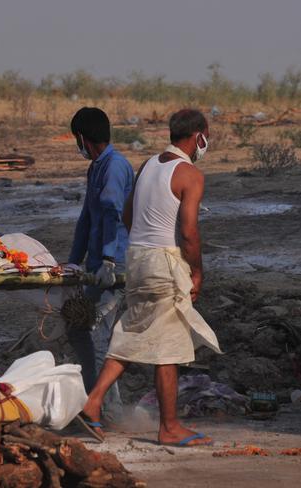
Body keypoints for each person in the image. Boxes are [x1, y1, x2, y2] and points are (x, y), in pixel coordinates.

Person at [81, 109, 222, 446]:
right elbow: (189, 232)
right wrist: (197, 271)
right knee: (169, 346)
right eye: (206, 136)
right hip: (164, 262)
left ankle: (93, 402)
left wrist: (146, 245)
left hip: (138, 259)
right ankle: (170, 427)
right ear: (198, 135)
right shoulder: (190, 174)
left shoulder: (148, 166)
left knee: (134, 333)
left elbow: (129, 215)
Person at [65, 107, 134, 423]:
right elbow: (86, 218)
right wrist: (72, 262)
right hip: (94, 266)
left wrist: (107, 259)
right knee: (77, 328)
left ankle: (104, 413)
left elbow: (111, 215)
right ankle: (103, 404)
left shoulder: (116, 168)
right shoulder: (96, 168)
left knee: (96, 335)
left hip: (114, 266)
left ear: (82, 137)